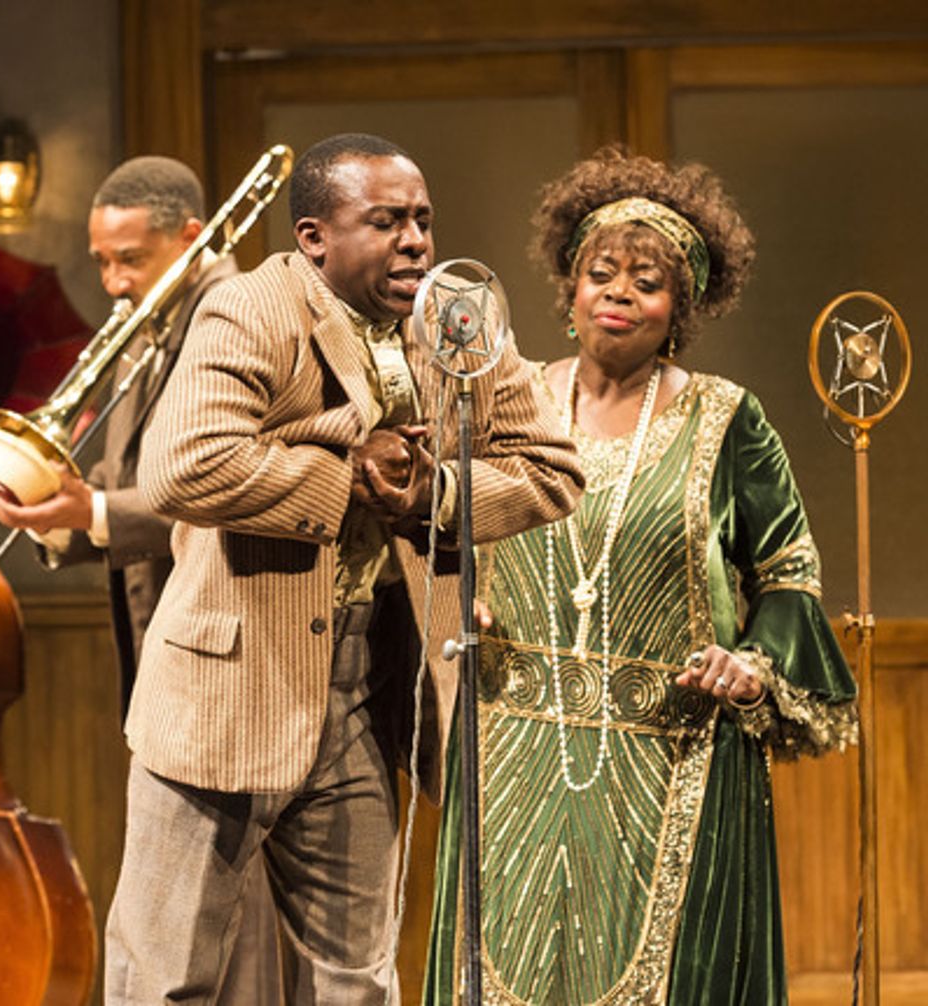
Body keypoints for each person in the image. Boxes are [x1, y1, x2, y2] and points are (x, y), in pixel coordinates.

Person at [104, 133, 584, 1004]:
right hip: (228, 685)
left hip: (368, 682)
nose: (415, 242)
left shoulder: (455, 317)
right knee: (165, 979)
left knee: (357, 979)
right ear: (315, 236)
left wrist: (425, 494)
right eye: (387, 221)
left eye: (423, 220)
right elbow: (181, 468)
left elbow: (554, 470)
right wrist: (345, 471)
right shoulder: (251, 309)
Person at [422, 147, 859, 1004]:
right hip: (516, 749)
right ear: (570, 287)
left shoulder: (727, 418)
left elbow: (790, 570)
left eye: (647, 281)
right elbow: (444, 536)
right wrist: (458, 596)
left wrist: (752, 663)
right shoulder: (507, 402)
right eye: (602, 272)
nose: (620, 292)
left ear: (681, 308)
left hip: (676, 755)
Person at [0, 156, 282, 1002]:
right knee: (179, 900)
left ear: (192, 237)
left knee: (232, 895)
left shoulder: (236, 316)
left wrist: (95, 510)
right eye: (102, 261)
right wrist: (61, 512)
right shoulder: (145, 327)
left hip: (231, 644)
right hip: (160, 637)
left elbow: (222, 483)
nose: (113, 282)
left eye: (130, 259)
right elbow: (124, 482)